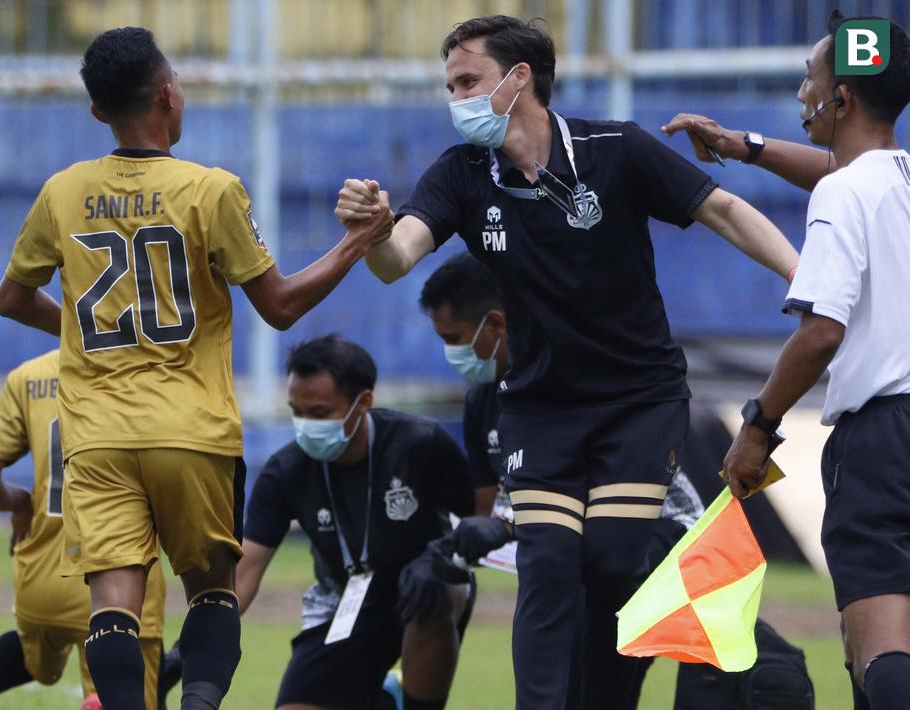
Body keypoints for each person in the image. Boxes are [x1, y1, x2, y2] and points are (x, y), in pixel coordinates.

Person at [333, 15, 800, 710]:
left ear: (518, 78)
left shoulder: (616, 148)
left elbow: (726, 211)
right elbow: (396, 258)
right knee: (547, 564)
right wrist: (368, 230)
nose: (455, 97)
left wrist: (804, 280)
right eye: (449, 84)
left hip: (637, 399)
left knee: (613, 560)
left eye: (467, 81)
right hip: (540, 406)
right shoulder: (462, 173)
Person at [0, 27, 393, 710]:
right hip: (192, 431)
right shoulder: (209, 190)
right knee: (210, 589)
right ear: (169, 95)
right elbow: (280, 306)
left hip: (98, 437)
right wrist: (357, 241)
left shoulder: (62, 192)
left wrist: (92, 334)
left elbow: (11, 298)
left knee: (113, 601)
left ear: (97, 112)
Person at [417, 252, 814, 709]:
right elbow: (485, 518)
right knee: (569, 653)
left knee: (755, 680)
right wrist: (444, 555)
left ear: (496, 324)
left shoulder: (577, 372)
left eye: (454, 339)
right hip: (576, 550)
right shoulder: (482, 401)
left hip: (660, 540)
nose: (452, 354)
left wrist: (505, 525)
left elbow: (578, 496)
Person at [719, 13, 910, 710]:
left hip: (883, 441)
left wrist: (757, 424)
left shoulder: (842, 192)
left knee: (880, 655)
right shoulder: (894, 179)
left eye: (811, 77)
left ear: (842, 99)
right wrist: (744, 147)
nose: (802, 90)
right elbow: (840, 171)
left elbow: (820, 332)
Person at [235, 335, 475, 710]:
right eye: (296, 412)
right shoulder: (285, 472)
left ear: (363, 402)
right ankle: (383, 700)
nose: (304, 427)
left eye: (318, 413)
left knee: (436, 592)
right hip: (347, 599)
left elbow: (477, 523)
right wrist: (192, 648)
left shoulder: (421, 444)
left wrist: (439, 560)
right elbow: (244, 570)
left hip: (425, 586)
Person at [0, 349, 167, 710]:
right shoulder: (144, 371)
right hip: (116, 574)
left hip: (40, 578)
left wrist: (20, 502)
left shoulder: (28, 376)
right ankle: (99, 700)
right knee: (129, 683)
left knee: (30, 653)